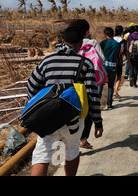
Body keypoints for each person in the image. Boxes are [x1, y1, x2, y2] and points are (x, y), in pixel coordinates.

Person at [27, 24, 103, 176]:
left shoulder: (46, 62)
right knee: (71, 152)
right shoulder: (85, 64)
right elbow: (93, 96)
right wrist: (97, 121)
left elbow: (31, 87)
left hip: (47, 118)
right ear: (81, 43)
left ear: (62, 40)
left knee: (42, 156)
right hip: (72, 119)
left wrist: (37, 110)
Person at [78, 20, 105, 150]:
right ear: (87, 31)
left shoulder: (73, 43)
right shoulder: (93, 43)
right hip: (90, 79)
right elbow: (101, 59)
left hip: (74, 83)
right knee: (88, 109)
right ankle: (83, 139)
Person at [99, 27, 121, 109]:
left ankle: (97, 103)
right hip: (113, 67)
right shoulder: (117, 44)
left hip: (104, 67)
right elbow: (118, 56)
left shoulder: (103, 43)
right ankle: (109, 103)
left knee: (100, 84)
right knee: (111, 86)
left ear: (105, 35)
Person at [114, 25, 131, 98]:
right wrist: (129, 63)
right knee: (118, 77)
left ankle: (111, 94)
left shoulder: (111, 40)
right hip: (119, 61)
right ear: (122, 32)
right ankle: (115, 92)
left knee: (111, 79)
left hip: (110, 60)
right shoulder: (123, 41)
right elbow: (126, 53)